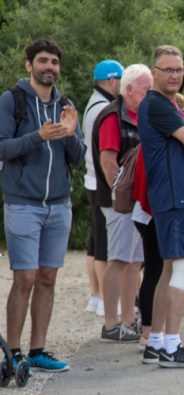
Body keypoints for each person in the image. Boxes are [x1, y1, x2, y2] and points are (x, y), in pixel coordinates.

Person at [0, 39, 86, 371]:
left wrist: (69, 133)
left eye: (54, 62)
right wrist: (39, 136)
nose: (49, 67)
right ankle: (13, 353)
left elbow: (78, 159)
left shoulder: (65, 103)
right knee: (25, 278)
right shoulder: (12, 100)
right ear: (29, 65)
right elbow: (3, 148)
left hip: (59, 205)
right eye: (43, 61)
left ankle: (38, 350)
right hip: (23, 204)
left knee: (48, 278)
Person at [138, 45, 184, 368]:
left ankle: (155, 342)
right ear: (153, 73)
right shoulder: (158, 104)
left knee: (169, 268)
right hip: (175, 195)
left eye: (179, 69)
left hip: (173, 194)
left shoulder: (165, 104)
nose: (174, 75)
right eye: (168, 69)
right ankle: (172, 346)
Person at [91, 64, 154, 343]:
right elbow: (107, 162)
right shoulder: (112, 117)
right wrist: (122, 197)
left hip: (141, 201)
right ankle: (111, 322)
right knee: (117, 259)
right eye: (146, 90)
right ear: (128, 90)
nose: (150, 95)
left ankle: (129, 319)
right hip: (120, 201)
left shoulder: (144, 115)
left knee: (135, 261)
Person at [83, 59, 123, 316]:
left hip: (91, 180)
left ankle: (96, 297)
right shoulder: (105, 109)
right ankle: (105, 300)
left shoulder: (92, 103)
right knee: (105, 247)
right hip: (100, 182)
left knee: (96, 242)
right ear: (111, 81)